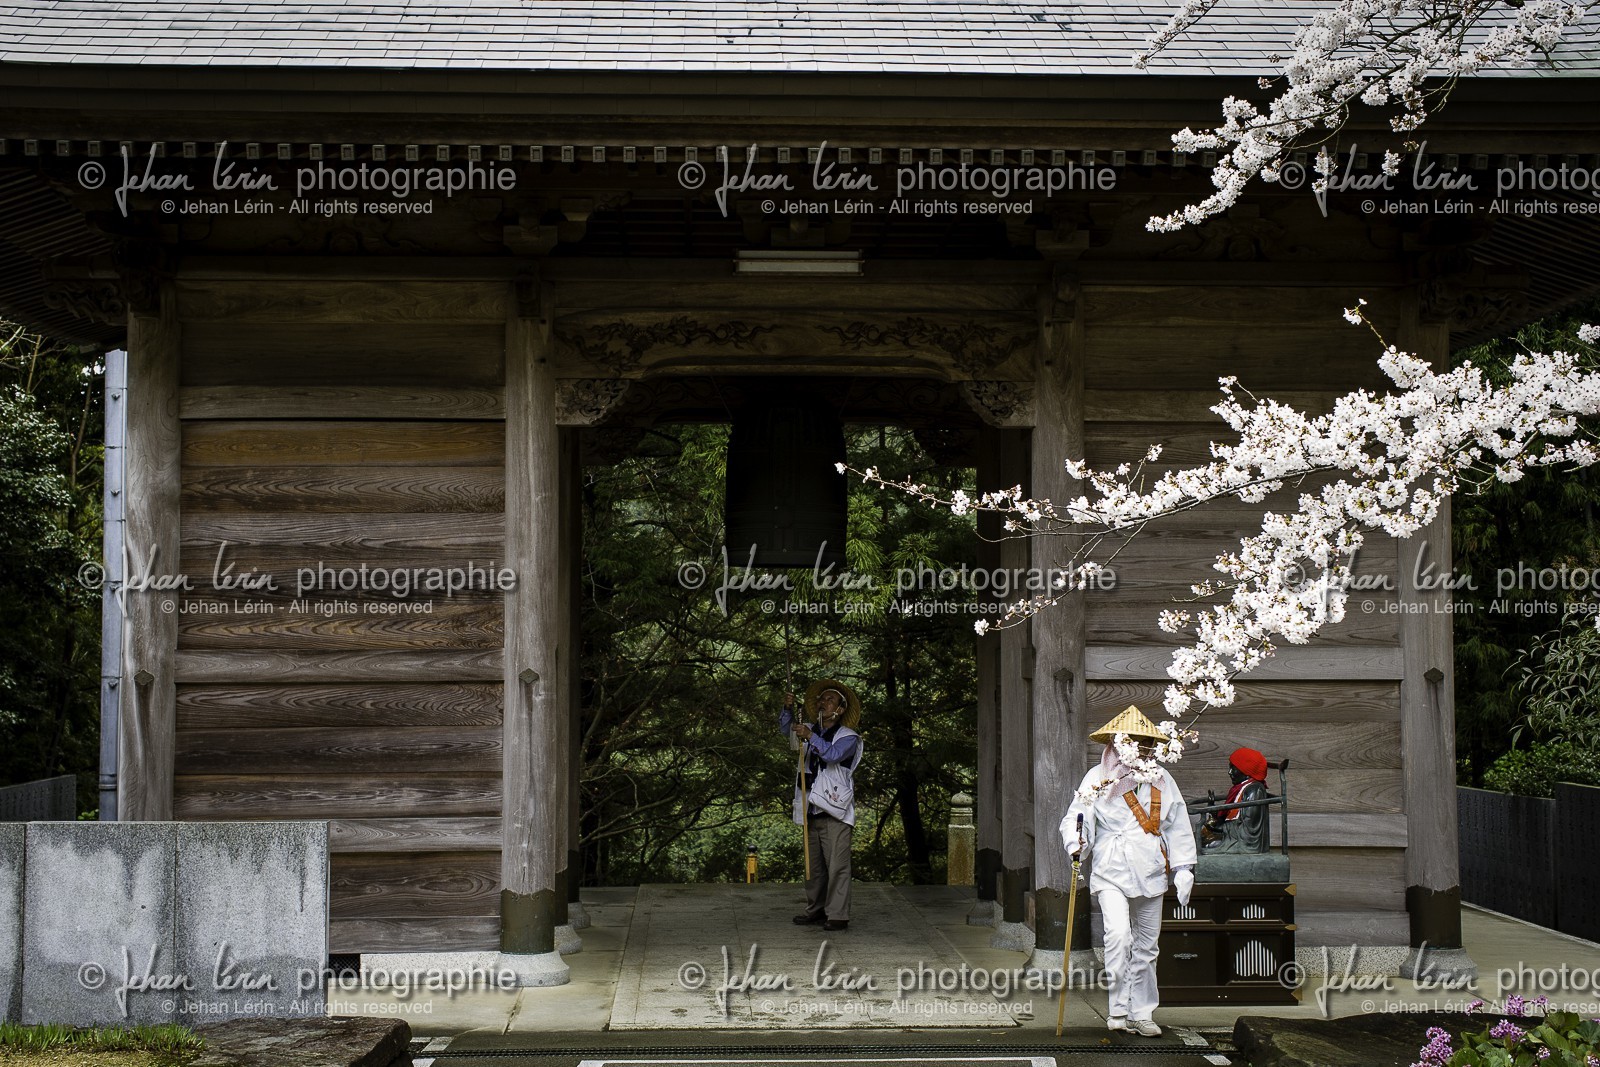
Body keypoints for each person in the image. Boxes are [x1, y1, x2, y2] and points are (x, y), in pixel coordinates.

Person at [1062, 705, 1198, 1038]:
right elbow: (1077, 817)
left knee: (1148, 947)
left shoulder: (1162, 779)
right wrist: (1076, 842)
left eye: (1144, 742)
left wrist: (1183, 869)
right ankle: (1118, 1008)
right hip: (1110, 869)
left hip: (1150, 868)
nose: (1140, 748)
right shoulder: (1098, 778)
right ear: (1118, 742)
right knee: (1118, 936)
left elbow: (1177, 824)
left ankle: (1142, 1012)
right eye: (1132, 741)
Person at [779, 678, 864, 932]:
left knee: (837, 865)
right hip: (810, 806)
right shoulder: (808, 728)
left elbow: (832, 755)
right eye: (822, 698)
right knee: (812, 864)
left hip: (834, 810)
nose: (824, 703)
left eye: (831, 700)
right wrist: (787, 709)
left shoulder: (849, 737)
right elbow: (787, 731)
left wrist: (811, 736)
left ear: (840, 709)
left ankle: (837, 914)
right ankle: (815, 909)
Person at [1200, 747, 1273, 854]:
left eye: (1233, 768)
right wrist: (1215, 815)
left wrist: (1219, 827)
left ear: (1246, 771)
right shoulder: (1241, 788)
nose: (1229, 772)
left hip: (1244, 842)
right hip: (1233, 836)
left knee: (1206, 844)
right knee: (1199, 837)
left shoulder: (1254, 790)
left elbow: (1248, 827)